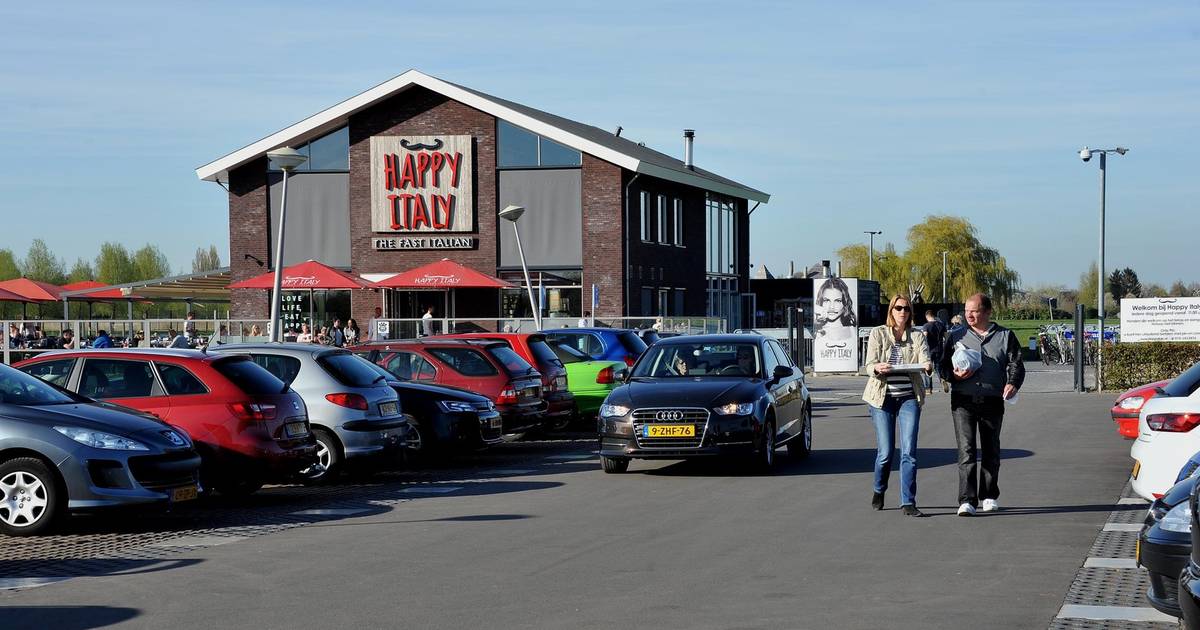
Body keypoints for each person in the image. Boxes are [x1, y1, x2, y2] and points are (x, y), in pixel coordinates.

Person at [940, 293, 1025, 517]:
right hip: (963, 400)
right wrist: (953, 376)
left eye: (975, 311)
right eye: (967, 310)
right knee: (966, 450)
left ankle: (989, 495)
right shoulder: (956, 335)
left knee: (991, 449)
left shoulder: (1005, 336)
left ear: (987, 312)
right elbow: (942, 366)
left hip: (992, 399)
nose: (969, 315)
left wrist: (1013, 383)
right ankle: (967, 500)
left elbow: (1016, 364)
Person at [863, 295, 932, 517]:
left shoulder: (917, 335)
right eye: (898, 308)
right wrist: (876, 368)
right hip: (882, 397)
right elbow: (869, 364)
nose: (903, 312)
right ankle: (879, 489)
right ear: (891, 310)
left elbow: (925, 359)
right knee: (886, 452)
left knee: (909, 451)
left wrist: (928, 366)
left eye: (907, 309)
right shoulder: (878, 333)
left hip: (909, 397)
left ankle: (908, 502)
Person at [814, 277, 857, 343]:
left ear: (845, 303)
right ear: (821, 302)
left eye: (838, 301)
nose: (831, 307)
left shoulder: (853, 331)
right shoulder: (815, 331)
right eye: (826, 300)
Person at [922, 309, 947, 386]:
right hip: (939, 349)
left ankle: (928, 387)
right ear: (934, 316)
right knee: (938, 367)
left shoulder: (926, 326)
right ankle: (942, 379)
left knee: (928, 367)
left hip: (929, 349)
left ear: (927, 316)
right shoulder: (941, 325)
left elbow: (924, 337)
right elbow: (946, 337)